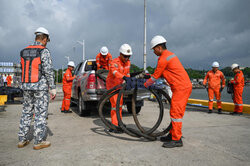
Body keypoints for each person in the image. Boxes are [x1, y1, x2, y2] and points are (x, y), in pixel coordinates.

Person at [144, 35, 192, 148]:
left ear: (159, 47)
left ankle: (176, 139)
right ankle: (172, 134)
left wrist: (145, 84)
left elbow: (155, 76)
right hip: (181, 87)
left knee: (176, 114)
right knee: (175, 112)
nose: (154, 52)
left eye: (154, 49)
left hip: (181, 88)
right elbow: (161, 75)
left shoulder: (163, 58)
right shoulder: (168, 55)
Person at [18, 27, 56, 150]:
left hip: (26, 86)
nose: (46, 43)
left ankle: (22, 139)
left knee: (26, 112)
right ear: (44, 39)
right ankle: (38, 141)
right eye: (47, 40)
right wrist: (53, 87)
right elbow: (48, 71)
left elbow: (22, 69)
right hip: (40, 87)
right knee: (40, 113)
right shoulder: (43, 51)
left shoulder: (23, 51)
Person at [106, 44, 132, 133]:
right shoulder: (114, 62)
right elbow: (114, 72)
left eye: (128, 56)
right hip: (112, 86)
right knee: (115, 106)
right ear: (120, 54)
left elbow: (127, 73)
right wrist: (124, 78)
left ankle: (118, 122)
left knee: (119, 105)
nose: (127, 58)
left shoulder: (128, 62)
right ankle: (115, 125)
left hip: (120, 86)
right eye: (125, 56)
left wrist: (128, 80)